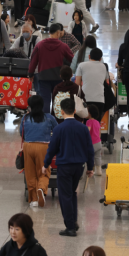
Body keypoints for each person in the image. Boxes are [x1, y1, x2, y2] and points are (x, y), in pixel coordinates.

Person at [43, 98, 94, 237]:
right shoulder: (83, 128)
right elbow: (90, 149)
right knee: (72, 193)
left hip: (64, 166)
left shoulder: (59, 128)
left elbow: (51, 149)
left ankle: (70, 227)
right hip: (79, 166)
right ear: (75, 111)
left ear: (61, 111)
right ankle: (74, 221)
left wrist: (46, 164)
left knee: (65, 195)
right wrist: (90, 167)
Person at [20, 95, 58, 207]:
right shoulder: (49, 118)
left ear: (30, 106)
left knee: (30, 173)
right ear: (42, 105)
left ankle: (34, 200)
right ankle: (41, 189)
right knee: (44, 171)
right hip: (43, 147)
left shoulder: (25, 118)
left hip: (28, 146)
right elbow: (57, 132)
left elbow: (21, 133)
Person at [29, 24, 74, 113]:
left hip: (43, 77)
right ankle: (56, 123)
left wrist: (30, 74)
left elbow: (33, 61)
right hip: (59, 78)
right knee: (57, 102)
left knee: (45, 101)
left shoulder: (40, 45)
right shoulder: (63, 46)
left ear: (49, 33)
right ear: (58, 33)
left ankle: (46, 122)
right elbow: (72, 60)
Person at [75, 48, 110, 119]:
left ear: (89, 56)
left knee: (84, 125)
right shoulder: (104, 66)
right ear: (100, 59)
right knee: (96, 125)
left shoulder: (81, 65)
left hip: (85, 99)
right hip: (100, 100)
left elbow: (77, 84)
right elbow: (107, 82)